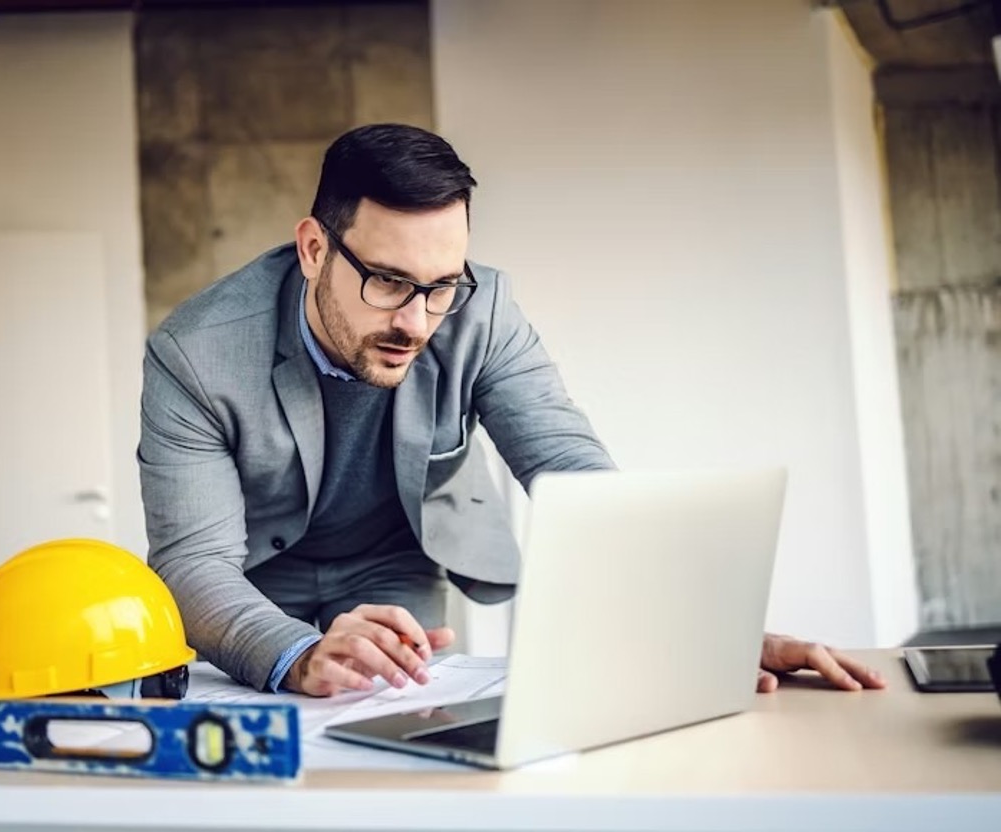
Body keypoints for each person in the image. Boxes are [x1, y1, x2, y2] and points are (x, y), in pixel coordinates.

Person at [138, 123, 886, 698]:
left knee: (394, 736)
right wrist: (295, 653)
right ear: (312, 250)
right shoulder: (195, 354)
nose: (418, 322)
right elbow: (194, 561)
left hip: (394, 562)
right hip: (253, 575)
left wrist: (700, 628)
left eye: (440, 286)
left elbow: (571, 471)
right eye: (389, 283)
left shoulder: (480, 310)